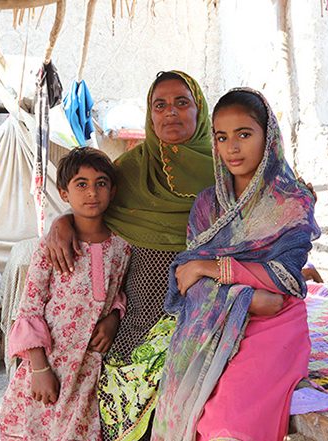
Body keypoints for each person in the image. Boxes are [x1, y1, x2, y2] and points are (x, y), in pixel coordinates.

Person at [46, 70, 216, 440]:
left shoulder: (225, 170)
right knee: (120, 410)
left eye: (181, 102)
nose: (170, 112)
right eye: (160, 105)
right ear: (150, 116)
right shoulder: (131, 171)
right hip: (132, 318)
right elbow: (90, 207)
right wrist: (60, 223)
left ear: (199, 110)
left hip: (201, 320)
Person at [151, 88, 320, 441]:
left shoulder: (292, 203)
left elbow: (285, 278)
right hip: (216, 321)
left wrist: (210, 268)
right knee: (187, 412)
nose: (232, 148)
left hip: (274, 327)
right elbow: (187, 279)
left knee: (228, 425)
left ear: (268, 136)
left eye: (244, 134)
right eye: (222, 137)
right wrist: (248, 298)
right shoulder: (207, 205)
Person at [0, 148, 132, 441]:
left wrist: (113, 318)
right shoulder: (51, 247)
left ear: (113, 191)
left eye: (101, 183)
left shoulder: (122, 247)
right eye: (80, 184)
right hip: (50, 366)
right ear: (63, 193)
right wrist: (39, 368)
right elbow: (29, 309)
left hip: (88, 372)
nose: (92, 193)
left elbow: (117, 293)